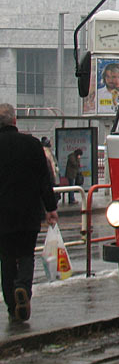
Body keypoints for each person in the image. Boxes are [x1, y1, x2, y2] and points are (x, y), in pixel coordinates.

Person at [0, 103, 58, 323]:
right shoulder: (33, 145)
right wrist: (51, 208)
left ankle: (12, 306)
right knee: (26, 254)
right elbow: (45, 181)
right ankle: (23, 287)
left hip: (2, 214)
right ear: (15, 121)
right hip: (29, 212)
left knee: (5, 258)